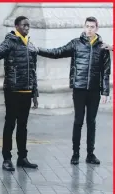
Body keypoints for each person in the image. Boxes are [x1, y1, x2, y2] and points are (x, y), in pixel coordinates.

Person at [37, 16, 111, 165]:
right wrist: (38, 50)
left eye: (92, 27)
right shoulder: (76, 44)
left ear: (97, 28)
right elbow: (57, 52)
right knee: (78, 121)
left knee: (91, 122)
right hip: (79, 88)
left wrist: (105, 92)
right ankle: (75, 153)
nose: (89, 29)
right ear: (84, 27)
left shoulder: (103, 48)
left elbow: (106, 71)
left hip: (94, 90)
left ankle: (90, 154)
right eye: (87, 26)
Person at [0, 16, 39, 172]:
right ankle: (7, 158)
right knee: (10, 124)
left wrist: (35, 93)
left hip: (27, 91)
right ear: (16, 26)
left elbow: (33, 72)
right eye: (24, 25)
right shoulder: (10, 41)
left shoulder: (30, 45)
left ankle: (22, 157)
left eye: (29, 25)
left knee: (23, 126)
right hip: (12, 90)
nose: (27, 28)